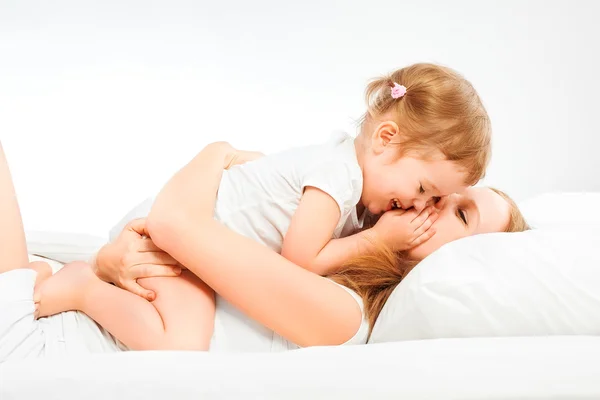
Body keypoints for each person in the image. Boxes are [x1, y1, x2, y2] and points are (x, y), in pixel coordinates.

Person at [33, 63, 494, 351]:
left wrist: (219, 154)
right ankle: (79, 286)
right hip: (182, 237)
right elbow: (297, 259)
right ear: (385, 138)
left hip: (186, 240)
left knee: (181, 346)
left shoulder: (351, 301)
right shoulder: (338, 179)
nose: (421, 206)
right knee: (180, 344)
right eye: (425, 189)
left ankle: (79, 282)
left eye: (450, 208)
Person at [0, 141, 527, 362]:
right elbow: (190, 239)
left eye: (460, 212)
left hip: (39, 344)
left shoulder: (346, 314)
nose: (432, 202)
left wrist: (216, 153)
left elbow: (176, 222)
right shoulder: (330, 227)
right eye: (437, 189)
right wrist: (110, 261)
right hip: (56, 310)